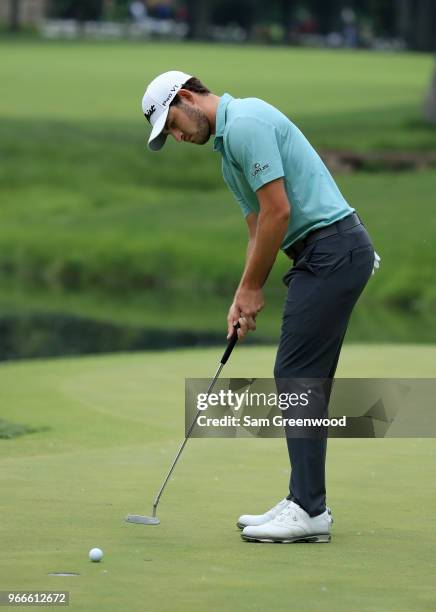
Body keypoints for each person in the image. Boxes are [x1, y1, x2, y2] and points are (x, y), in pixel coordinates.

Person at [141, 71, 380, 543]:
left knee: (296, 373)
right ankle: (305, 500)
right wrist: (242, 293)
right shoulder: (228, 154)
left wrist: (255, 288)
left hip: (333, 248)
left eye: (172, 124)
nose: (178, 137)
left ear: (187, 98)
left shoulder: (247, 122)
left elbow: (279, 212)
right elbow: (258, 228)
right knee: (303, 376)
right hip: (322, 253)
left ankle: (309, 509)